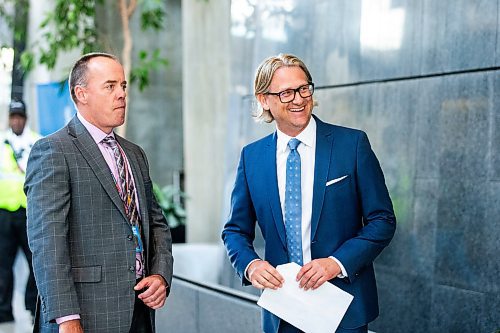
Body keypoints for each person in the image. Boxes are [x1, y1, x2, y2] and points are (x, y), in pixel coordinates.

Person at [222, 54, 396, 333]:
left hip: (343, 309)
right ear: (264, 99)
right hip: (282, 311)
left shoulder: (351, 145)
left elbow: (382, 220)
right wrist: (251, 265)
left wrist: (335, 263)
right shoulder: (252, 157)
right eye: (286, 92)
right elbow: (234, 230)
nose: (299, 99)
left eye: (304, 88)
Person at [24, 52, 173, 333]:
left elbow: (156, 224)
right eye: (110, 86)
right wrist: (66, 318)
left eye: (124, 86)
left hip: (139, 312)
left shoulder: (134, 154)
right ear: (82, 94)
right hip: (84, 315)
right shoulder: (53, 151)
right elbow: (48, 242)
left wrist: (161, 274)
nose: (121, 95)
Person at [0, 100, 39, 325]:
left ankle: (33, 305)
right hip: (4, 212)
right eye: (13, 116)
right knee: (3, 264)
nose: (16, 120)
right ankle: (3, 309)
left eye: (20, 116)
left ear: (25, 118)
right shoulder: (2, 142)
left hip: (30, 212)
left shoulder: (37, 141)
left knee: (37, 260)